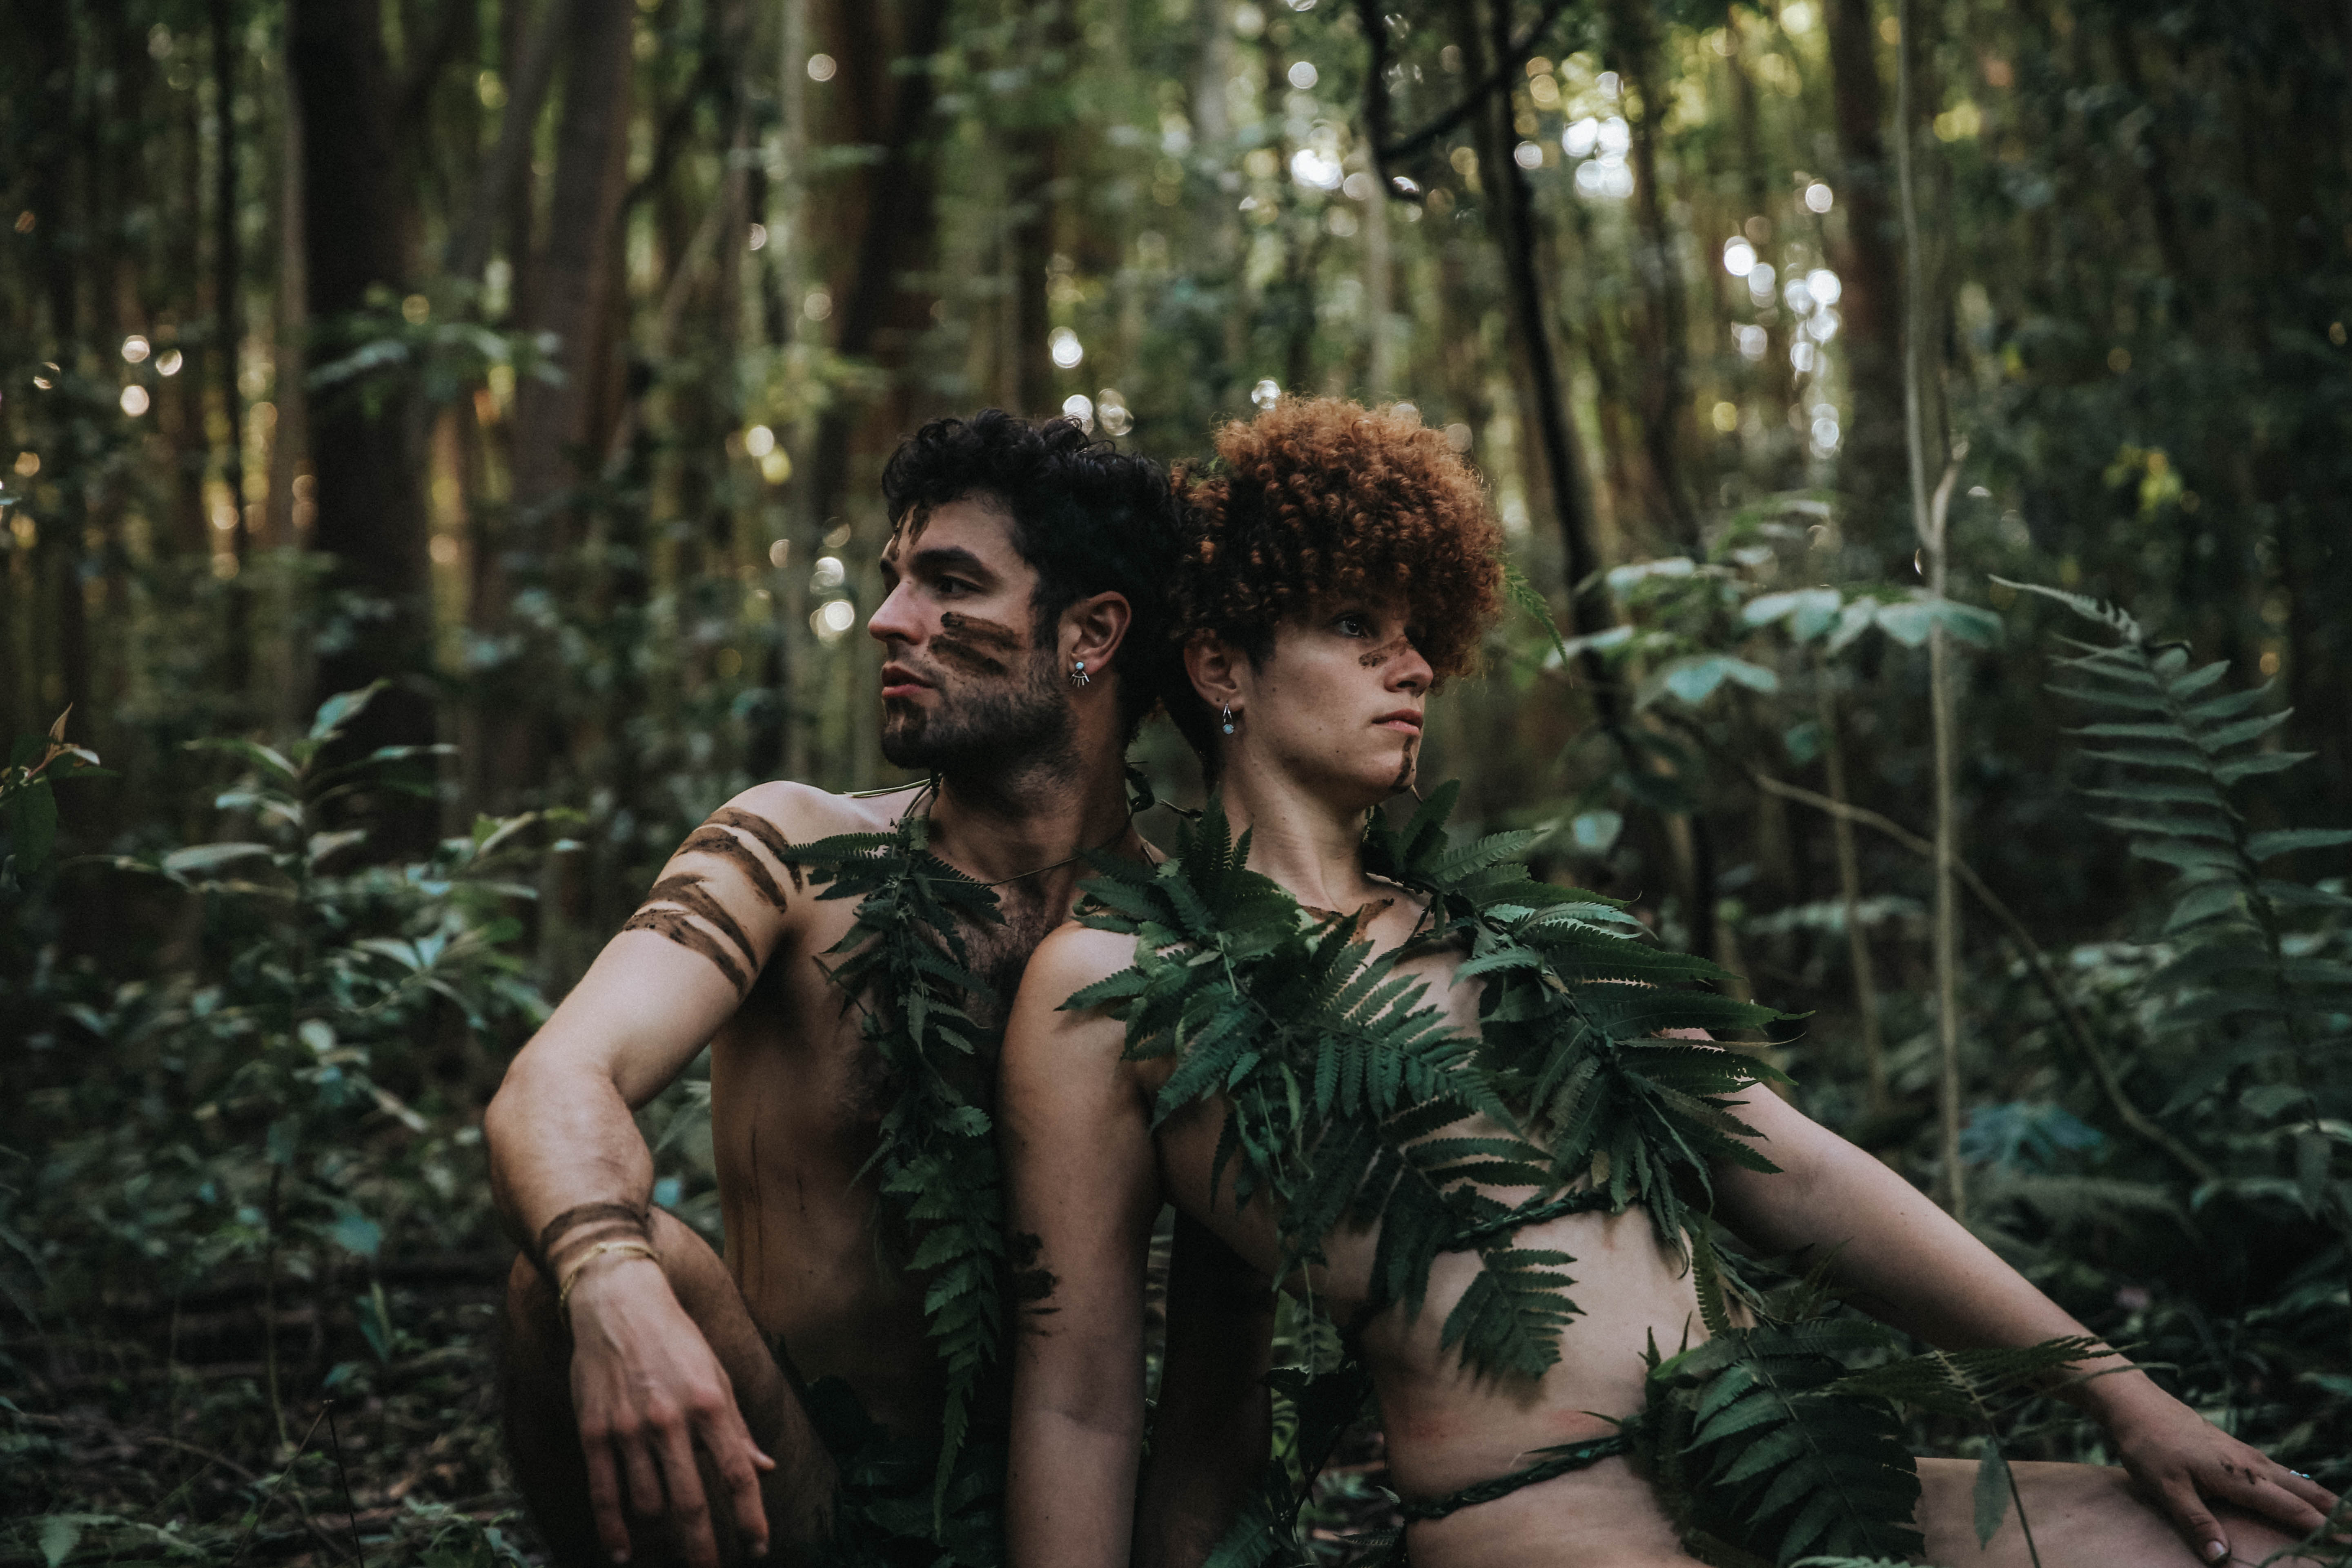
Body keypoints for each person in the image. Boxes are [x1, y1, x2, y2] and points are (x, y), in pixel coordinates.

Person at [998, 397, 2342, 1568]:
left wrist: (2123, 1397)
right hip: (1546, 1516)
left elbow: (1801, 1174)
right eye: (1356, 625)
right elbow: (1081, 1392)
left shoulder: (1524, 941)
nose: (1412, 666)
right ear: (1223, 664)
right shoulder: (1114, 982)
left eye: (1419, 631)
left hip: (1784, 1469)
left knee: (2264, 1548)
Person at [487, 412, 1267, 1568]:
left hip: (1061, 1527)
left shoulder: (1195, 944)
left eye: (950, 584)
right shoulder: (792, 851)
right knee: (580, 1267)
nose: (891, 622)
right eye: (894, 580)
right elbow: (558, 1076)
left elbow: (1214, 1403)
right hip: (794, 1503)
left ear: (1092, 633)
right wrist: (608, 1280)